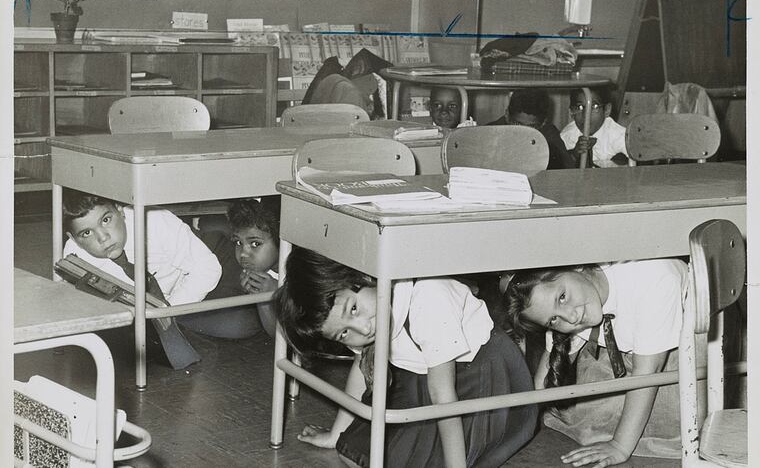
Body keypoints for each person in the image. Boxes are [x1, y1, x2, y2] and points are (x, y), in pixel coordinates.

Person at [274, 246, 537, 468]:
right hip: (424, 379)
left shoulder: (428, 297)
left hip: (481, 377)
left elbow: (444, 397)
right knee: (353, 450)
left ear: (362, 276)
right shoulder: (368, 317)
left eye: (353, 308)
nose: (363, 329)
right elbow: (362, 369)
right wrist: (336, 434)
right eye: (343, 333)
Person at [505, 258, 689, 466]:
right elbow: (541, 385)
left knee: (668, 429)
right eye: (553, 320)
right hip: (628, 358)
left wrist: (619, 446)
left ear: (578, 266)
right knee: (576, 416)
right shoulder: (576, 298)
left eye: (562, 297)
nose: (571, 318)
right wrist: (512, 434)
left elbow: (648, 374)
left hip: (682, 356)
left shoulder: (653, 278)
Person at [62, 190, 260, 368]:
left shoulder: (154, 220)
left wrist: (168, 311)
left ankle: (217, 228)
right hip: (163, 300)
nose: (103, 238)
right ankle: (173, 328)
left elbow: (206, 268)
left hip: (211, 261)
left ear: (120, 210)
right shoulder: (73, 255)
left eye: (106, 220)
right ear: (73, 238)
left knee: (244, 323)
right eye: (86, 233)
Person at [225, 197, 281, 339]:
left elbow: (283, 340)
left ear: (281, 241)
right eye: (238, 242)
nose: (243, 254)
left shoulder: (299, 271)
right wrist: (261, 297)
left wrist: (276, 293)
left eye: (255, 244)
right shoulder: (255, 271)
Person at [487, 88, 575, 169]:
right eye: (517, 124)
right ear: (507, 115)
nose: (524, 133)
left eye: (532, 127)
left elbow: (566, 170)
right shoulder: (491, 132)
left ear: (543, 122)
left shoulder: (550, 135)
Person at [560, 87, 628, 168]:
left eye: (594, 106)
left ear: (607, 110)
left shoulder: (619, 135)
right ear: (571, 112)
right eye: (579, 107)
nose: (586, 115)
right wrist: (574, 154)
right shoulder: (567, 135)